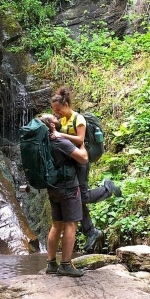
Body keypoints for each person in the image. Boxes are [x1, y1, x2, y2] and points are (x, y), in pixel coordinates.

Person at [50, 86, 121, 252]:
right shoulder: (63, 120)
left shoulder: (78, 119)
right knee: (77, 198)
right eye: (54, 110)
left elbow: (80, 139)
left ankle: (107, 189)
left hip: (82, 161)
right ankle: (91, 231)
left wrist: (61, 135)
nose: (56, 112)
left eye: (58, 109)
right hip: (71, 163)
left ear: (66, 104)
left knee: (83, 196)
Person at [40, 114, 89, 278]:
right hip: (68, 187)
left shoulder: (42, 143)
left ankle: (51, 263)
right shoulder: (59, 142)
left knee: (56, 224)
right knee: (70, 224)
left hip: (52, 188)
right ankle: (66, 265)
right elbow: (83, 159)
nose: (57, 118)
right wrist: (82, 145)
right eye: (53, 118)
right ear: (52, 126)